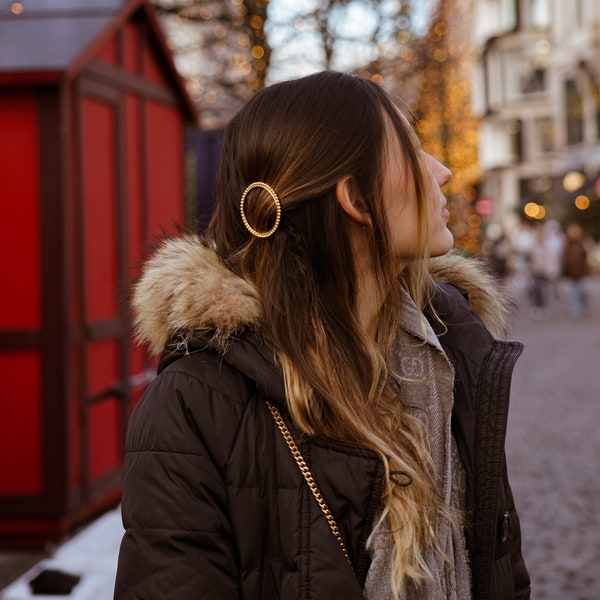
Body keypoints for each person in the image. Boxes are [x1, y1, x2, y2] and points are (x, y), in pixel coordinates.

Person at [114, 71, 530, 600]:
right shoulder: (195, 403)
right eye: (413, 153)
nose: (443, 172)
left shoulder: (454, 351)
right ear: (356, 198)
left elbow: (501, 572)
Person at [563, 222, 589, 316]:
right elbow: (565, 259)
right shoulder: (567, 245)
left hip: (581, 272)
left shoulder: (581, 243)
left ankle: (581, 307)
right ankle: (574, 309)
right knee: (573, 293)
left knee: (582, 291)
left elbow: (585, 257)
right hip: (572, 273)